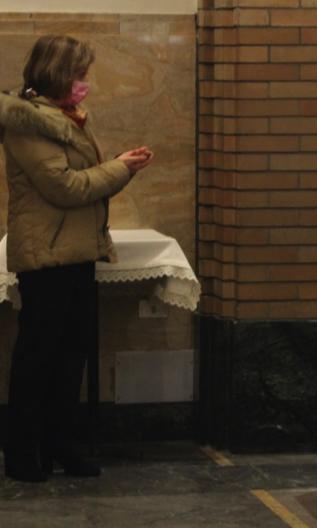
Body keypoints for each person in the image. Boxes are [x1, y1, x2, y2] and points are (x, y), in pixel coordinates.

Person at [3, 36, 154, 482]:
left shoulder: (67, 117)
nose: (85, 82)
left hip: (76, 250)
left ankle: (60, 443)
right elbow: (64, 187)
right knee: (39, 358)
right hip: (47, 255)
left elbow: (85, 180)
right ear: (57, 73)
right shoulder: (28, 123)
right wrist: (121, 167)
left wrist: (121, 167)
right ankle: (23, 452)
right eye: (79, 74)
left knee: (71, 356)